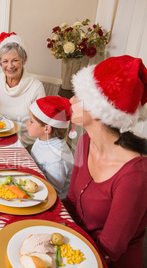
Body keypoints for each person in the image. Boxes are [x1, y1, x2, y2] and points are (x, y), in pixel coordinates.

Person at [63, 55, 147, 267]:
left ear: (99, 111)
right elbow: (72, 200)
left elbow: (110, 249)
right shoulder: (85, 141)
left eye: (78, 97)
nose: (71, 101)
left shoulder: (135, 175)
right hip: (77, 246)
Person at [0, 32, 45, 148]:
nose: (10, 66)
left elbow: (41, 124)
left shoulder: (35, 87)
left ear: (24, 60)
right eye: (5, 61)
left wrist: (13, 138)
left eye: (15, 60)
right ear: (0, 63)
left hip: (22, 140)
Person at [26, 96, 73, 199]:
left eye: (31, 121)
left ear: (47, 129)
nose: (27, 123)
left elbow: (52, 192)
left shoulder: (58, 158)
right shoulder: (42, 139)